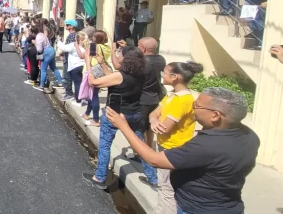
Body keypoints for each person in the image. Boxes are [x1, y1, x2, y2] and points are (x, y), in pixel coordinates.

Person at [106, 87, 259, 214]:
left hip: (197, 209)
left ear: (215, 115)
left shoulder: (206, 146)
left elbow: (154, 159)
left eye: (196, 106)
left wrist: (123, 126)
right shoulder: (250, 136)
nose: (193, 109)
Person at [82, 47, 158, 190]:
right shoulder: (140, 74)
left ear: (126, 59)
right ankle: (153, 178)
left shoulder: (121, 75)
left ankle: (99, 177)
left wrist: (88, 61)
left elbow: (93, 82)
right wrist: (103, 63)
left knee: (105, 144)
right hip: (134, 113)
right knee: (141, 145)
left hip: (115, 114)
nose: (118, 56)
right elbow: (114, 79)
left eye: (120, 54)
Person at [146, 61, 204, 214]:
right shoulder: (171, 95)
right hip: (165, 146)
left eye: (164, 72)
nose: (162, 75)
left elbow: (164, 128)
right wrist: (153, 120)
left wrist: (156, 123)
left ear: (175, 77)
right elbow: (155, 112)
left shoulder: (182, 100)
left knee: (168, 189)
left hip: (173, 148)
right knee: (162, 184)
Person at [81, 30, 112, 127]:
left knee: (94, 96)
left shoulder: (95, 46)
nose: (92, 38)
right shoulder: (107, 47)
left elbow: (87, 57)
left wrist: (85, 48)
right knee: (92, 94)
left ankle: (95, 119)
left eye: (94, 36)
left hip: (93, 71)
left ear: (97, 38)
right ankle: (87, 113)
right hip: (102, 71)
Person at [59, 26, 86, 102]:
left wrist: (58, 41)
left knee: (77, 83)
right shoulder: (86, 45)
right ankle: (83, 97)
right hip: (83, 66)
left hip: (75, 66)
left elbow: (63, 48)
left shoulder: (74, 45)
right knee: (81, 83)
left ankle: (78, 99)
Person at [35, 21, 63, 92]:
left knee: (43, 69)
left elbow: (39, 49)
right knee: (54, 67)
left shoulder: (38, 36)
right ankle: (60, 82)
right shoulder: (43, 35)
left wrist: (36, 44)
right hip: (51, 50)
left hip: (46, 52)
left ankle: (41, 86)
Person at [60, 19, 78, 100]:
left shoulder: (72, 36)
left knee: (68, 76)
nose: (65, 26)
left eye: (67, 25)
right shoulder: (74, 35)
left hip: (69, 58)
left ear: (71, 26)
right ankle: (68, 91)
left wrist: (62, 52)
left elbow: (68, 48)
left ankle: (69, 93)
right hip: (69, 57)